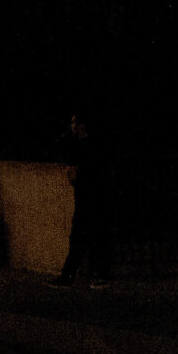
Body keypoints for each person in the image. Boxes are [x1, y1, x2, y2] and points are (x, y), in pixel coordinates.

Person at [52, 113, 108, 288]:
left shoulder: (84, 146)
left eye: (75, 123)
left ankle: (74, 276)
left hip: (90, 196)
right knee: (86, 237)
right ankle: (76, 275)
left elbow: (74, 174)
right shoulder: (88, 145)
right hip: (91, 196)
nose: (72, 126)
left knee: (85, 237)